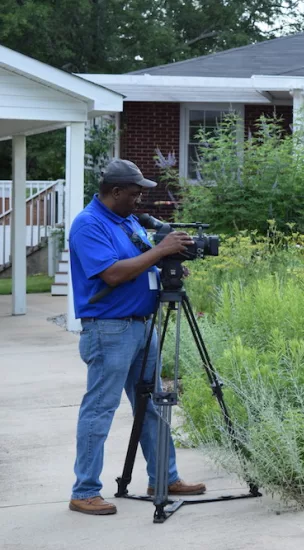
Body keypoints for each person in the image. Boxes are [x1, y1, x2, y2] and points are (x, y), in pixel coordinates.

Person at [67, 159, 206, 515]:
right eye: (134, 193)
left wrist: (167, 261)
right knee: (101, 408)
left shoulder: (127, 220)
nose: (139, 199)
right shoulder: (89, 224)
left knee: (154, 404)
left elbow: (142, 259)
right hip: (109, 329)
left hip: (143, 325)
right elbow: (112, 274)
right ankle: (84, 490)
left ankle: (164, 477)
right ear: (114, 192)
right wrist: (160, 251)